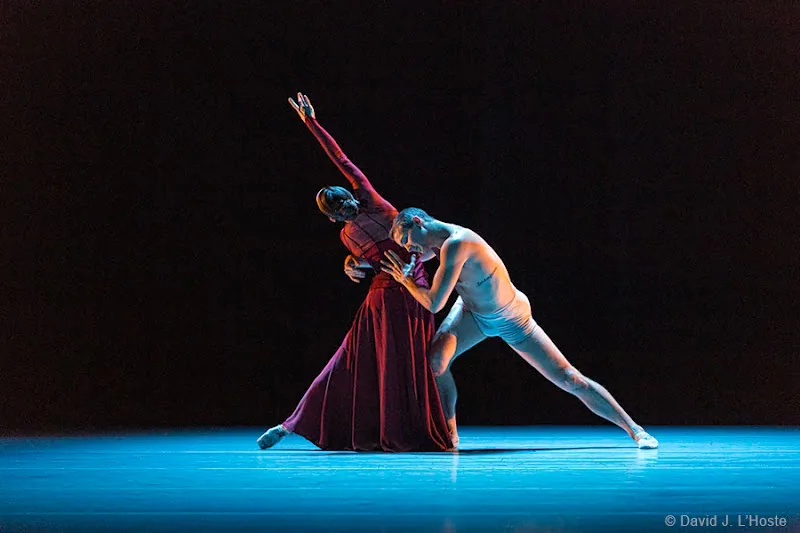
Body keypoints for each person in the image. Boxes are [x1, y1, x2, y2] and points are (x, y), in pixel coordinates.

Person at [256, 95, 453, 452]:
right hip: (390, 293)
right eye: (342, 212)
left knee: (383, 362)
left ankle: (297, 426)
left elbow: (340, 158)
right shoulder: (349, 232)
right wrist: (352, 265)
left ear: (350, 196)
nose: (348, 212)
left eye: (347, 205)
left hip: (408, 291)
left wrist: (312, 123)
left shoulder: (370, 200)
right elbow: (373, 260)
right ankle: (290, 424)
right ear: (334, 218)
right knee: (355, 359)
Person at [381, 208, 659, 449]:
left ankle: (635, 430)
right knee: (436, 362)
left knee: (570, 379)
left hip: (511, 317)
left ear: (418, 222)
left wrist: (406, 282)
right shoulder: (435, 246)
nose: (407, 248)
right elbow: (419, 264)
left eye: (405, 240)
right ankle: (450, 432)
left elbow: (433, 303)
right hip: (472, 314)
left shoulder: (457, 243)